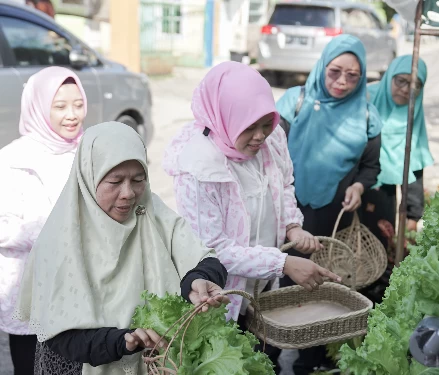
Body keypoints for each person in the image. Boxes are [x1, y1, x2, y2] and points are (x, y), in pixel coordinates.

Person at [163, 61, 340, 373]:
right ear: (224, 118)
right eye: (250, 127)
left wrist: (292, 225)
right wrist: (283, 263)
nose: (260, 136)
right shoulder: (198, 167)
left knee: (264, 358)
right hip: (222, 295)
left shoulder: (272, 140)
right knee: (232, 359)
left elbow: (284, 182)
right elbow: (213, 251)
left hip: (263, 287)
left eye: (266, 123)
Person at [13, 122, 229, 375]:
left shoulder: (151, 211)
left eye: (138, 180)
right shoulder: (60, 241)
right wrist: (122, 340)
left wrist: (198, 279)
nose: (128, 193)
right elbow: (61, 336)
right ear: (88, 176)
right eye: (115, 181)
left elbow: (204, 258)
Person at [275, 34, 383, 374]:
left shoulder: (366, 114)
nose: (342, 82)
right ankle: (269, 355)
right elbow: (269, 160)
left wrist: (359, 187)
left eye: (353, 75)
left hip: (332, 215)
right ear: (322, 66)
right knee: (276, 285)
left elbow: (371, 167)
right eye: (335, 71)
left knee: (323, 287)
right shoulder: (294, 102)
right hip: (285, 211)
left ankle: (310, 359)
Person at [0, 67, 87, 375]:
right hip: (29, 286)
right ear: (38, 106)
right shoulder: (13, 159)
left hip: (76, 285)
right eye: (60, 106)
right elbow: (4, 227)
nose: (72, 115)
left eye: (78, 104)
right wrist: (59, 232)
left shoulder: (86, 151)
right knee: (29, 363)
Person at [361, 55, 433, 249]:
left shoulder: (413, 112)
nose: (406, 89)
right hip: (353, 183)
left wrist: (413, 214)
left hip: (384, 190)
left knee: (380, 245)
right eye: (401, 80)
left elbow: (414, 161)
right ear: (390, 76)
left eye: (415, 84)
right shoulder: (366, 98)